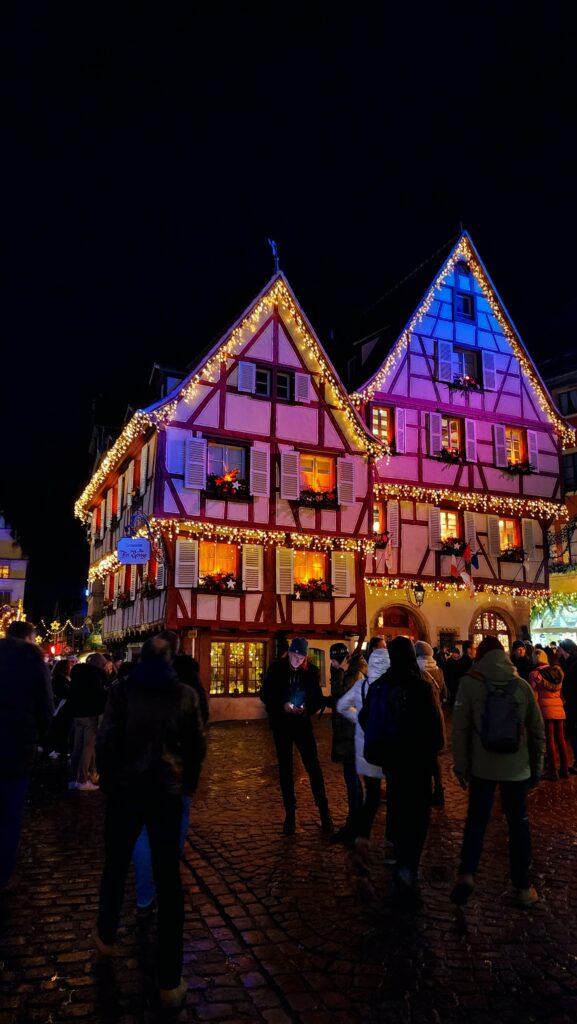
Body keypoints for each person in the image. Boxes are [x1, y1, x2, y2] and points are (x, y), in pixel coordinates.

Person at [95, 636, 206, 1009]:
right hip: (165, 793)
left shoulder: (122, 691)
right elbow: (197, 746)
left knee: (115, 865)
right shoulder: (186, 695)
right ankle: (169, 982)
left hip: (127, 791)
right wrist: (185, 785)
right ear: (172, 659)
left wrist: (110, 783)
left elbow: (106, 740)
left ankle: (105, 938)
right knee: (169, 882)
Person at [451, 635, 545, 908]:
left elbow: (460, 730)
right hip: (517, 769)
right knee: (518, 824)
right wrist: (536, 767)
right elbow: (537, 732)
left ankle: (467, 873)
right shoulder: (521, 686)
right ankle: (523, 884)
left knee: (477, 821)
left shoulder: (469, 684)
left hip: (482, 767)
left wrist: (461, 766)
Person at [364, 636, 445, 907]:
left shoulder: (378, 686)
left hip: (392, 761)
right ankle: (409, 864)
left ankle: (400, 857)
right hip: (418, 762)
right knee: (419, 813)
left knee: (397, 806)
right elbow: (434, 728)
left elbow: (366, 718)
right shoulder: (420, 686)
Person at [132, 634, 210, 913]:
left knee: (141, 833)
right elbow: (199, 734)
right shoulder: (188, 686)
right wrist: (192, 772)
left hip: (137, 774)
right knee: (177, 822)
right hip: (176, 772)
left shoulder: (129, 685)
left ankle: (144, 894)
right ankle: (167, 875)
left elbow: (111, 736)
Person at [259, 637, 332, 835]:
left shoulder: (311, 673)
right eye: (295, 654)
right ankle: (290, 814)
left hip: (302, 726)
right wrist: (281, 705)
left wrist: (306, 708)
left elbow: (316, 698)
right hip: (282, 725)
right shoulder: (276, 669)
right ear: (289, 653)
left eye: (301, 656)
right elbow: (265, 694)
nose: (298, 659)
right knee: (286, 769)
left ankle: (324, 813)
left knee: (313, 766)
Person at [0, 620, 53, 891]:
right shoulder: (33, 661)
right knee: (10, 813)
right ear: (29, 638)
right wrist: (43, 737)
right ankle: (3, 874)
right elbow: (46, 705)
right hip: (17, 745)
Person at [336, 647, 389, 876]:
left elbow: (340, 706)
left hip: (365, 750)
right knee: (393, 796)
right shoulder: (389, 688)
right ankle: (393, 846)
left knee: (373, 796)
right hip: (387, 749)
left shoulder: (361, 685)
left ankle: (361, 840)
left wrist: (358, 719)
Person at [328, 643, 364, 843]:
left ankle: (355, 823)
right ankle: (356, 820)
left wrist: (339, 672)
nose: (332, 664)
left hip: (353, 733)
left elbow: (341, 694)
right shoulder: (343, 671)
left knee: (352, 779)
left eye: (334, 660)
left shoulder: (354, 673)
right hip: (346, 732)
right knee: (351, 778)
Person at [68, 653, 107, 791]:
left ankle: (73, 779)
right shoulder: (95, 676)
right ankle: (83, 779)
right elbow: (98, 697)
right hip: (90, 715)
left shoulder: (78, 673)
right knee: (88, 748)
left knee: (77, 747)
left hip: (77, 714)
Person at [415, 641, 447, 806]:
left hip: (422, 718)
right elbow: (445, 693)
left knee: (422, 756)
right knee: (434, 757)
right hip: (437, 715)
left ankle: (426, 792)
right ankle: (439, 790)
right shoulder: (438, 670)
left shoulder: (418, 672)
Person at [530, 664, 568, 780]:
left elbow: (534, 695)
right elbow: (562, 693)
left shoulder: (535, 675)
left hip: (546, 710)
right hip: (559, 709)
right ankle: (564, 770)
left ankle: (553, 771)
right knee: (561, 739)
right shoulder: (558, 673)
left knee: (550, 738)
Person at [558, 639, 577, 772]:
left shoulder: (574, 664)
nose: (558, 651)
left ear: (567, 650)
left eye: (560, 649)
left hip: (574, 705)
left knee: (575, 734)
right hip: (570, 705)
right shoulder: (567, 663)